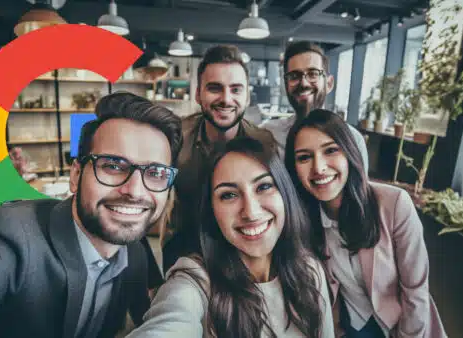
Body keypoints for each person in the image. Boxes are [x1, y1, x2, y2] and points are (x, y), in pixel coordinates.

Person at [0, 92, 183, 338]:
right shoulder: (6, 242)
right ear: (76, 175)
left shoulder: (133, 251)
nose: (135, 191)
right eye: (113, 166)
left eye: (156, 173)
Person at [126, 137, 334, 338]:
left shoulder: (310, 270)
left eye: (263, 187)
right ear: (212, 211)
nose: (251, 212)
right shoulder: (196, 282)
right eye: (229, 195)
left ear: (285, 194)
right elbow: (171, 320)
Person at [284, 109, 447, 338]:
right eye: (304, 157)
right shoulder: (302, 219)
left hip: (403, 326)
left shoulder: (394, 204)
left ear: (349, 153)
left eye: (330, 150)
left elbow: (415, 290)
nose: (318, 167)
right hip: (350, 327)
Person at [162, 44, 276, 273]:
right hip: (185, 246)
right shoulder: (176, 137)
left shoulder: (263, 142)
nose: (226, 99)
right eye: (215, 88)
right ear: (198, 93)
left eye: (236, 89)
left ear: (246, 96)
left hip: (241, 249)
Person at [260, 41, 369, 173]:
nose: (304, 83)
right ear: (286, 85)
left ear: (329, 84)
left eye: (313, 74)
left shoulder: (352, 139)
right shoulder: (268, 135)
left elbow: (360, 190)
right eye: (294, 76)